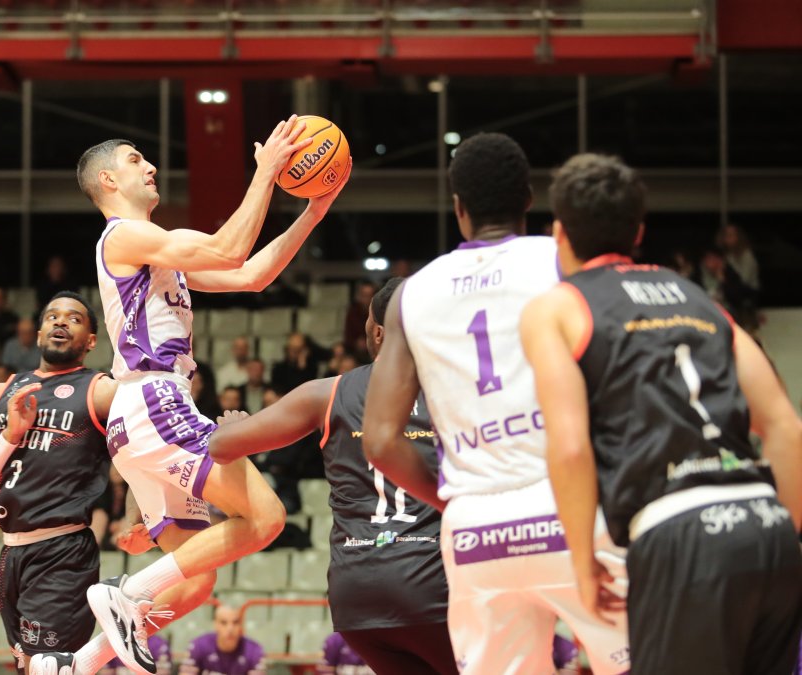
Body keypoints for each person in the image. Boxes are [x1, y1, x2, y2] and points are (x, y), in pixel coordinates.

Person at [74, 121, 348, 675]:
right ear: (108, 179)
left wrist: (313, 212)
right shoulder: (123, 236)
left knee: (197, 580)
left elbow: (249, 275)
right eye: (135, 159)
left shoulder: (156, 252)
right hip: (155, 401)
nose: (150, 166)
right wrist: (267, 172)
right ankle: (127, 594)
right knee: (267, 518)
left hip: (139, 417)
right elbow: (227, 247)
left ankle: (77, 663)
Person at [520, 153, 802, 674]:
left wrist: (582, 561)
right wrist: (785, 531)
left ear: (559, 233)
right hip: (769, 529)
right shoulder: (697, 297)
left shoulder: (556, 307)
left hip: (681, 532)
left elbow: (571, 445)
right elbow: (784, 425)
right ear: (638, 230)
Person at [361, 133, 630, 675]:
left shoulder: (414, 293)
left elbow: (381, 441)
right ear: (530, 198)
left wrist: (459, 502)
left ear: (458, 209)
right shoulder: (562, 261)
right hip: (569, 505)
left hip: (475, 526)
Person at [210, 278, 455, 674]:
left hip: (358, 597)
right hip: (433, 586)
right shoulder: (455, 392)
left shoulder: (325, 394)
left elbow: (221, 447)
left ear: (376, 332)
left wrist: (236, 424)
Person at [0, 292, 185, 674]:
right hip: (10, 553)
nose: (61, 322)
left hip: (62, 551)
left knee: (52, 667)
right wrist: (10, 436)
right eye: (53, 316)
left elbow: (141, 458)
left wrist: (135, 516)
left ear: (91, 341)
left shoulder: (103, 391)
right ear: (39, 329)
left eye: (74, 319)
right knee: (33, 668)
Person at [179, 605, 265, 675]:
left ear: (241, 625)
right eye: (224, 623)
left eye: (235, 622)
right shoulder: (198, 646)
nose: (230, 629)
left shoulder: (255, 650)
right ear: (215, 624)